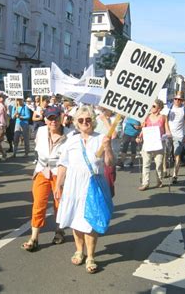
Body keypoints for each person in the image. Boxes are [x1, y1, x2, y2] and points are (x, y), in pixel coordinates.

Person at [54, 105, 114, 274]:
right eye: (81, 120)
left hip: (93, 185)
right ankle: (79, 250)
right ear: (76, 123)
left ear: (92, 121)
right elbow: (63, 164)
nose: (85, 122)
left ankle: (91, 256)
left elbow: (109, 163)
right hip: (73, 185)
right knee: (76, 220)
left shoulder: (101, 138)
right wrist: (58, 184)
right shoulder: (71, 140)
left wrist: (108, 147)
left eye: (88, 119)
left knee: (90, 221)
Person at [22, 107, 67, 251]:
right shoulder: (41, 131)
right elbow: (38, 149)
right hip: (42, 170)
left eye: (55, 118)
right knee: (38, 203)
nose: (53, 121)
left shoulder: (71, 134)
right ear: (45, 119)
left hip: (60, 172)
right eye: (49, 118)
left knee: (59, 203)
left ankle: (59, 230)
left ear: (61, 117)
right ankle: (34, 237)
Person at [137, 99, 171, 191]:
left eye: (154, 106)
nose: (151, 107)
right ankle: (145, 183)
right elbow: (144, 129)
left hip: (159, 143)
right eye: (151, 106)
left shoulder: (163, 117)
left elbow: (167, 129)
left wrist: (168, 135)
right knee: (146, 164)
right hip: (147, 143)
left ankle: (159, 180)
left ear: (159, 108)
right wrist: (139, 137)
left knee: (159, 164)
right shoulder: (147, 117)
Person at [167, 93, 185, 184]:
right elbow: (165, 120)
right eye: (176, 99)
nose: (177, 101)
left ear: (182, 100)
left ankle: (174, 175)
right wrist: (167, 130)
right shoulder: (169, 107)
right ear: (173, 99)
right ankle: (165, 170)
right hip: (168, 134)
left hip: (179, 135)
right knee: (166, 154)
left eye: (179, 99)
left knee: (177, 154)